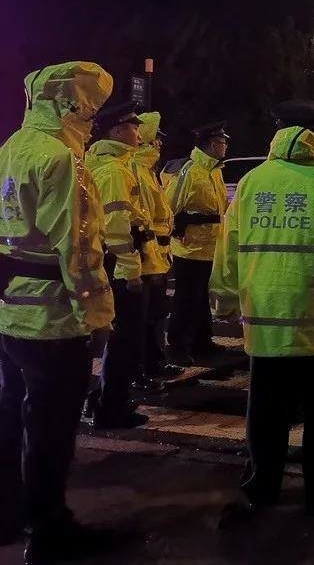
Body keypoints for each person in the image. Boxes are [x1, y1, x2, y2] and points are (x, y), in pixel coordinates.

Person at [210, 99, 314, 523]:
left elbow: (227, 246)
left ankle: (260, 489)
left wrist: (224, 299)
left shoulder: (252, 182)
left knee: (265, 416)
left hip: (265, 329)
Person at [0, 62, 117, 561]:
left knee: (10, 418)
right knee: (50, 431)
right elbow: (79, 251)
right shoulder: (62, 159)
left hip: (9, 315)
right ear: (75, 104)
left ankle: (8, 514)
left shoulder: (11, 147)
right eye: (92, 107)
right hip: (51, 321)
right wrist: (97, 319)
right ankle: (49, 530)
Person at [85, 101, 154, 429]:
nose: (138, 132)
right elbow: (116, 225)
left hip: (110, 263)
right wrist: (131, 269)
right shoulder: (114, 170)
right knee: (125, 340)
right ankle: (113, 405)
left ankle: (103, 399)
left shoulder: (106, 164)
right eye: (132, 125)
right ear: (115, 130)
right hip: (119, 267)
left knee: (119, 338)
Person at [163, 121, 229, 365]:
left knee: (202, 297)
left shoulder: (214, 171)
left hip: (209, 247)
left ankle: (202, 342)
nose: (225, 147)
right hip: (189, 248)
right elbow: (169, 206)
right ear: (212, 144)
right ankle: (178, 345)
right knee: (186, 298)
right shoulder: (190, 170)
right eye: (223, 142)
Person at [132, 112, 182, 382]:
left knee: (156, 314)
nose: (161, 144)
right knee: (144, 318)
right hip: (147, 256)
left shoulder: (148, 170)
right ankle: (142, 369)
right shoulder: (137, 170)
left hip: (158, 254)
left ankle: (154, 363)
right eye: (157, 139)